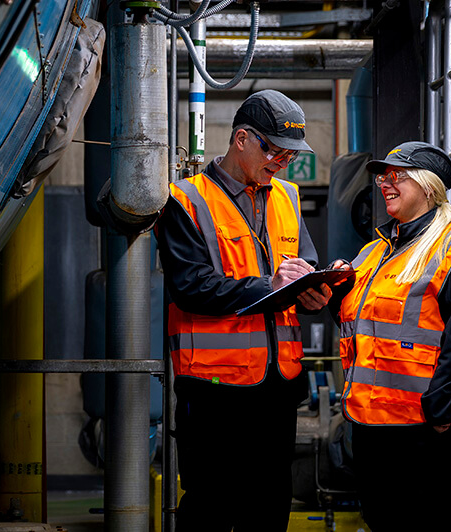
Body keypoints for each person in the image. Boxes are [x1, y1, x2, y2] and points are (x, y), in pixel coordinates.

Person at [156, 90, 333, 531]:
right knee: (211, 507)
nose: (281, 162)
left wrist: (312, 293)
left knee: (270, 508)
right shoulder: (185, 200)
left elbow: (303, 267)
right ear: (241, 139)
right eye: (273, 150)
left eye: (289, 155)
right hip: (216, 390)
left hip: (279, 388)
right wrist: (268, 286)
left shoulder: (288, 197)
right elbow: (190, 288)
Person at [328, 141, 451, 532]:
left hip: (425, 430)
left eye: (397, 175)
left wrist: (439, 410)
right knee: (383, 520)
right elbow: (360, 326)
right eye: (384, 176)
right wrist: (333, 290)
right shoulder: (373, 252)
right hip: (372, 422)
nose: (386, 182)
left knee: (427, 522)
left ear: (428, 186)